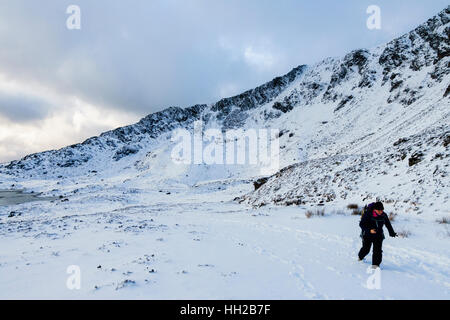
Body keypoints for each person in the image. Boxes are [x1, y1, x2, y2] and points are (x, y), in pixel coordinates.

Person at [358, 201, 397, 268]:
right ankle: (360, 257)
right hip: (367, 235)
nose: (380, 212)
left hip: (378, 235)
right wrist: (369, 230)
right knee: (366, 249)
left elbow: (388, 224)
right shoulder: (368, 214)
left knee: (377, 250)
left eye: (382, 210)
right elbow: (361, 224)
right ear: (375, 209)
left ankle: (375, 265)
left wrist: (392, 233)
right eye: (379, 210)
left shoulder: (384, 215)